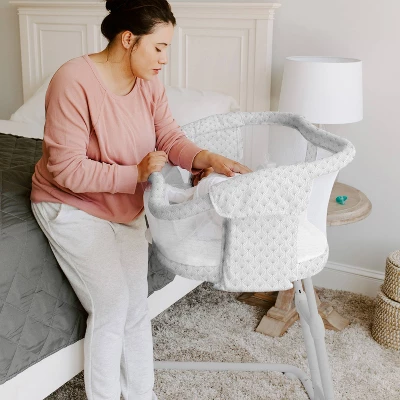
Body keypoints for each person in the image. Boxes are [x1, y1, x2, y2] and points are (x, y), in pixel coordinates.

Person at [30, 0, 251, 399]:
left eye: (168, 48)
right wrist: (134, 173)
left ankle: (141, 394)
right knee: (113, 305)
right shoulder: (73, 80)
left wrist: (205, 158)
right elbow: (65, 169)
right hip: (70, 204)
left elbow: (169, 137)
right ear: (128, 39)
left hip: (125, 207)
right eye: (159, 47)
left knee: (135, 307)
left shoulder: (148, 81)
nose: (164, 58)